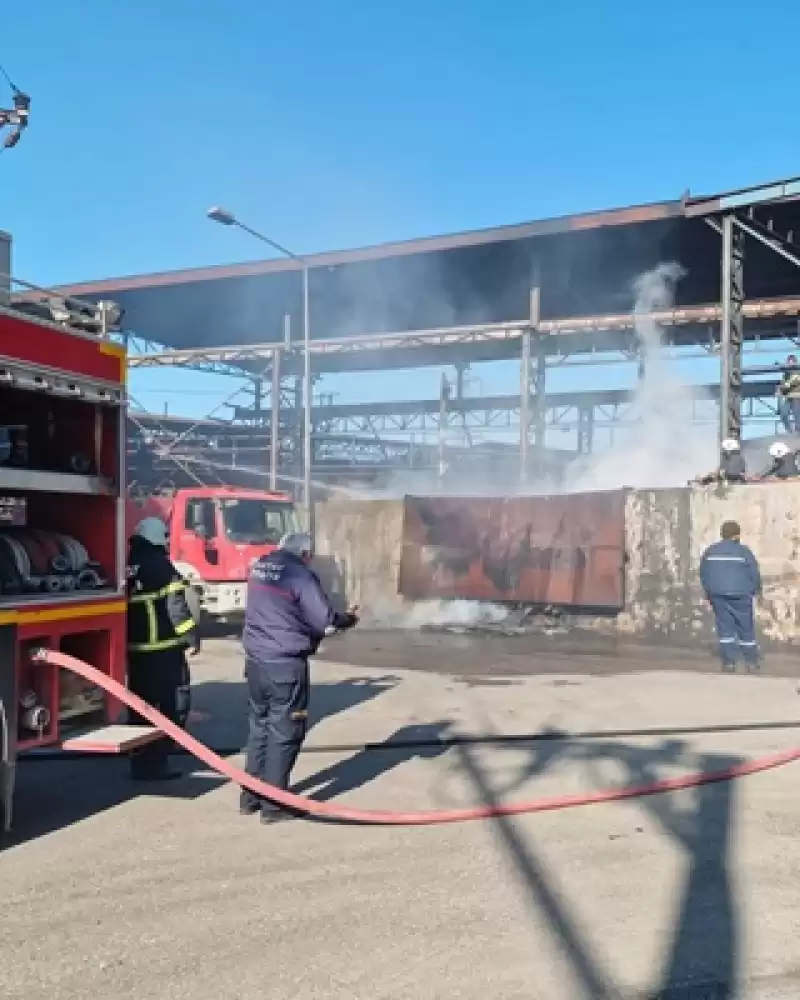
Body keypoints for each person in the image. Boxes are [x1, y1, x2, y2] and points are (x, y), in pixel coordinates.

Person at [240, 531, 359, 823]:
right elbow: (326, 622)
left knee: (260, 728)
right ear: (305, 553)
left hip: (255, 662)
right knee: (285, 732)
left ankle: (250, 797)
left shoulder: (259, 567)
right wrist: (349, 619)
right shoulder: (300, 576)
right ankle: (274, 805)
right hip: (285, 665)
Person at [126, 517, 200, 781]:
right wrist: (191, 638)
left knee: (139, 708)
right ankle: (158, 762)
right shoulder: (162, 567)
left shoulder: (129, 565)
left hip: (135, 653)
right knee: (170, 706)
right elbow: (176, 608)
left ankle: (139, 763)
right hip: (164, 652)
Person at [699, 520, 762, 673]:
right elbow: (753, 572)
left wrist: (709, 591)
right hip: (741, 595)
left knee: (725, 629)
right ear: (737, 535)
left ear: (722, 534)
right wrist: (756, 590)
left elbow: (703, 573)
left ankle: (729, 663)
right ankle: (751, 662)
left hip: (718, 595)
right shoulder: (743, 552)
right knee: (746, 628)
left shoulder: (711, 551)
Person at [777, 355, 800, 432]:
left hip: (797, 397)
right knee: (783, 414)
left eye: (792, 362)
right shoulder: (786, 374)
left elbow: (793, 382)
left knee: (797, 416)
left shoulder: (798, 371)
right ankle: (790, 431)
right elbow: (783, 384)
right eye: (789, 362)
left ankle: (797, 432)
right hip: (789, 397)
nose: (790, 364)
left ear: (795, 362)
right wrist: (779, 390)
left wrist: (784, 387)